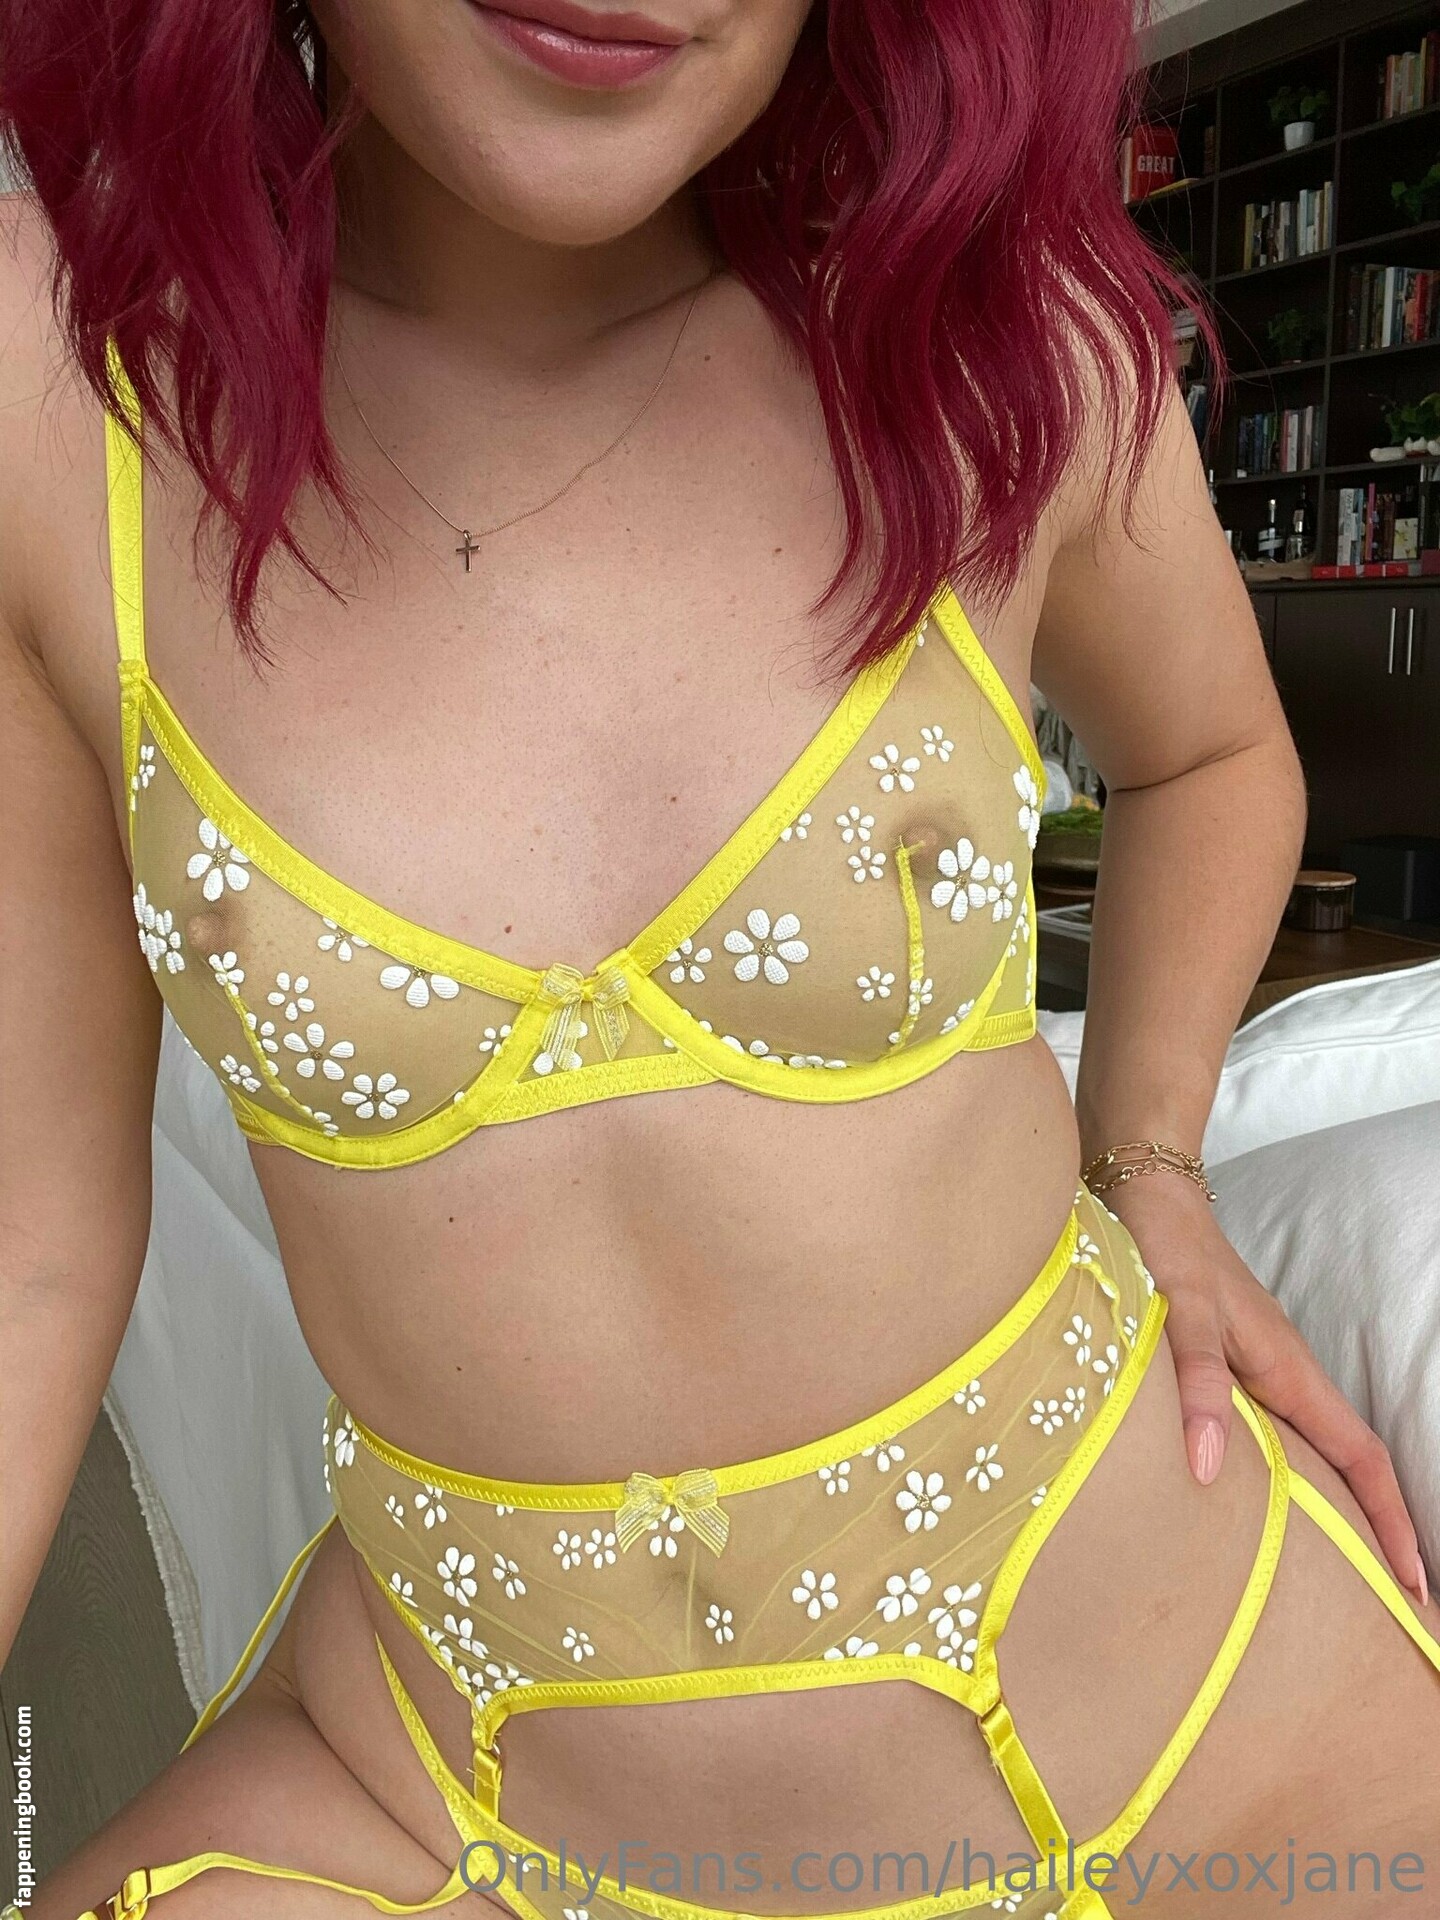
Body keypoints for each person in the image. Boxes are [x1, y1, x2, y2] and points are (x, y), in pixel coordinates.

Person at [2, 3, 1438, 1917]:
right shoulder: (57, 384)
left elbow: (1213, 756)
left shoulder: (990, 333)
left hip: (1197, 1737)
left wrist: (1154, 1157)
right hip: (442, 1800)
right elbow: (32, 1247)